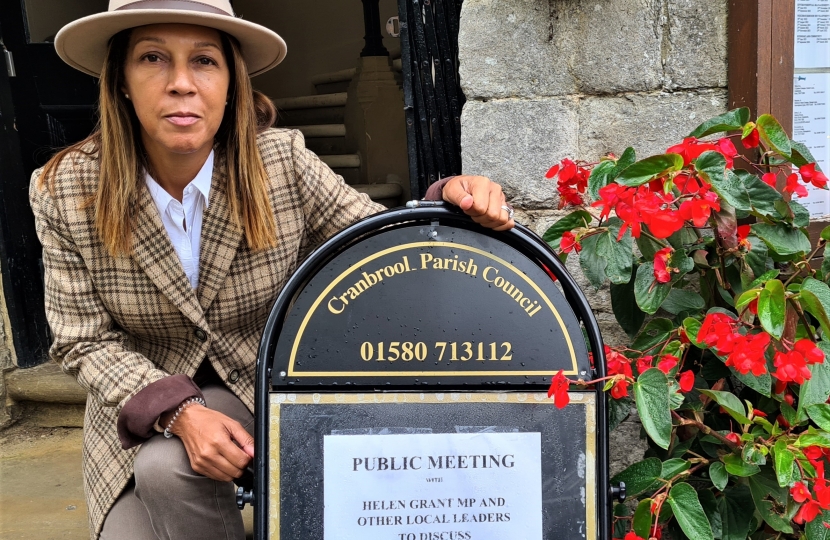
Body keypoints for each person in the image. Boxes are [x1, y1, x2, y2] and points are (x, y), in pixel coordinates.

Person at [30, 1, 514, 539]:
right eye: (153, 58)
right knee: (162, 472)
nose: (182, 84)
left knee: (170, 473)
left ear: (232, 81)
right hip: (145, 408)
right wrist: (179, 411)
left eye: (205, 61)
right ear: (120, 79)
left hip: (267, 384)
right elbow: (82, 340)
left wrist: (445, 198)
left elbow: (380, 244)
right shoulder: (66, 189)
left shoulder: (280, 163)